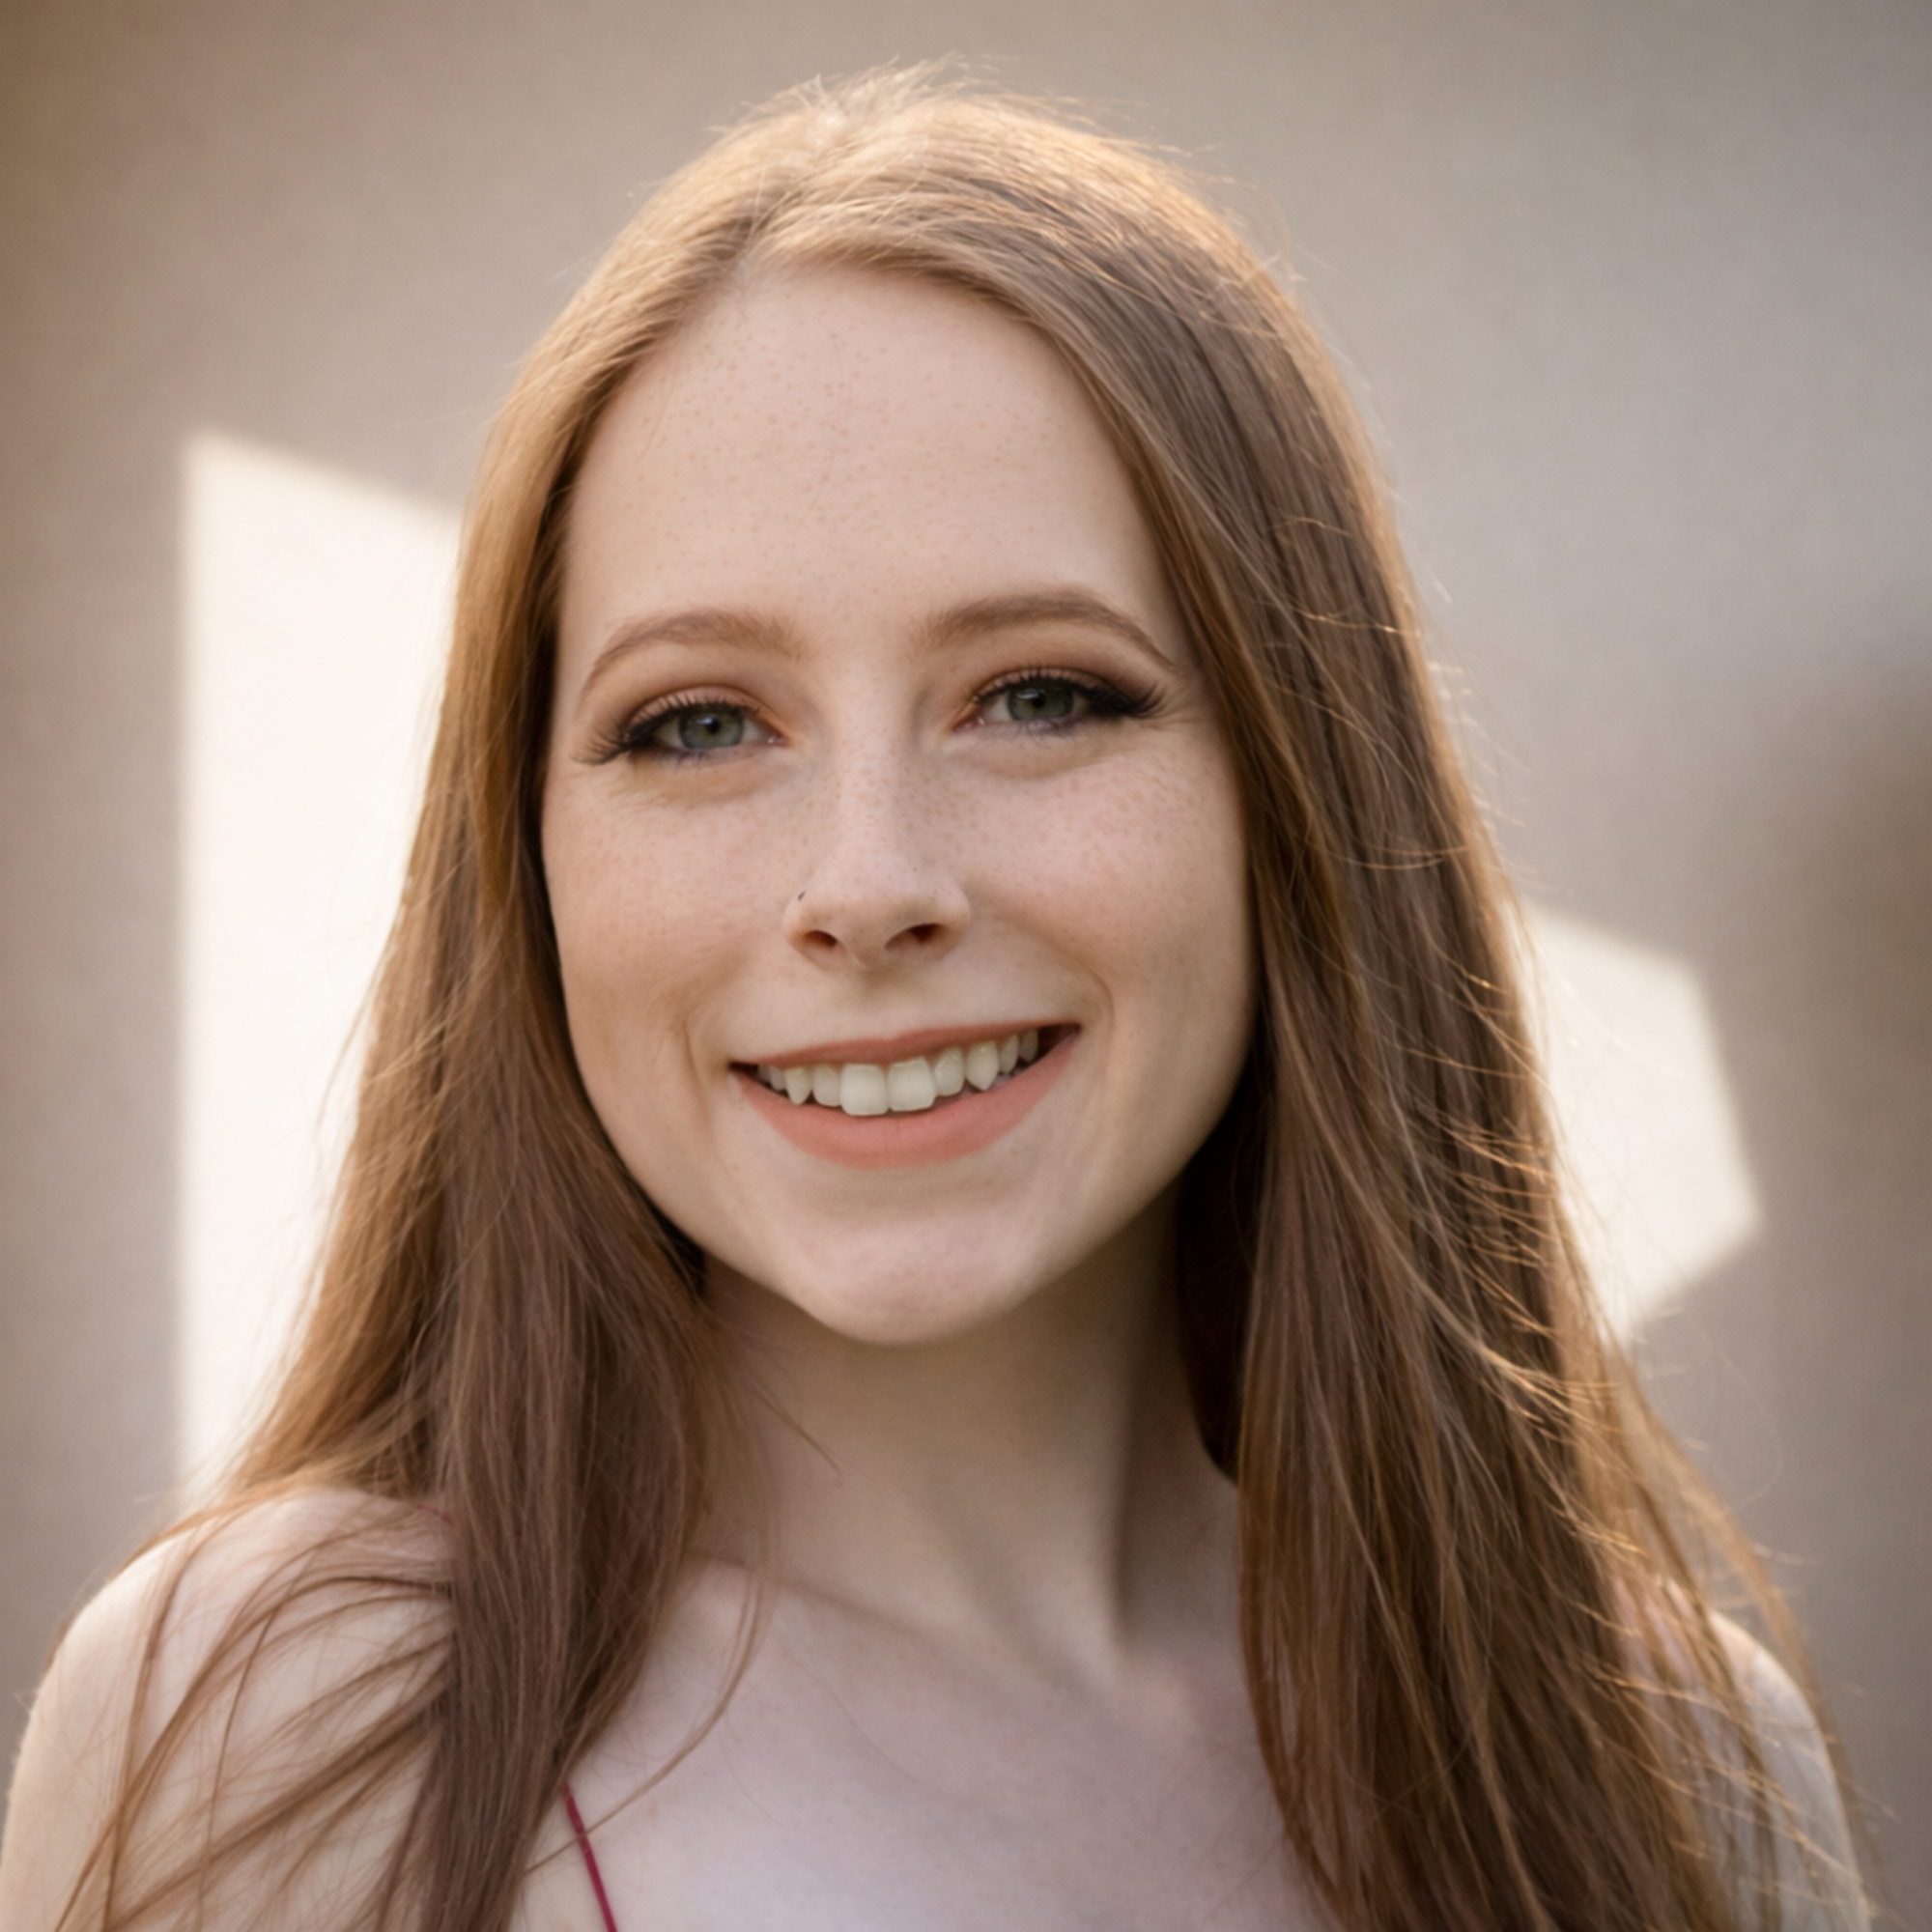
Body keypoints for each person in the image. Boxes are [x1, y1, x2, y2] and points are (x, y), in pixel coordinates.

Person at [0, 68, 1868, 1932]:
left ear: (1298, 791)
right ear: (528, 851)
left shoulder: (1679, 1767)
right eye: (700, 723)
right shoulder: (290, 1728)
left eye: (1041, 696)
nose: (870, 883)